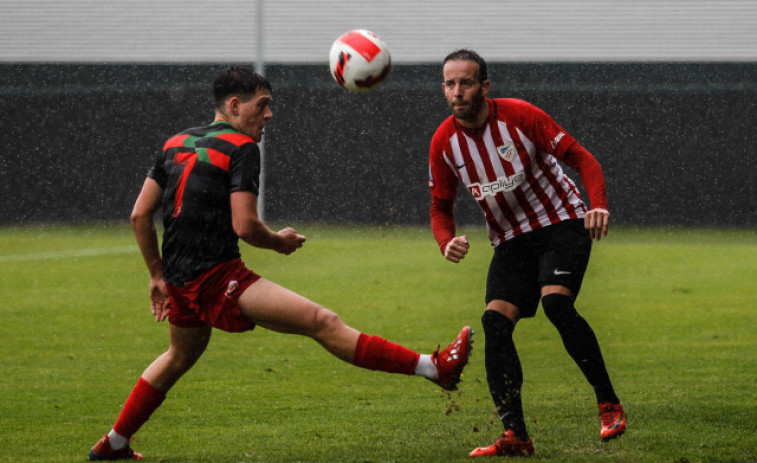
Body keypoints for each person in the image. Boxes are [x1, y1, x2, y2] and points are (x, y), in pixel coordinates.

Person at [88, 66, 472, 461]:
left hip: (179, 279)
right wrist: (278, 242)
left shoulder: (174, 143)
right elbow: (245, 225)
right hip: (216, 277)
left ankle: (115, 441)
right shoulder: (241, 148)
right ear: (236, 106)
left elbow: (139, 215)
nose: (269, 115)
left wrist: (156, 275)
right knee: (322, 322)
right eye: (263, 105)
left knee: (179, 356)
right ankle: (434, 368)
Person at [427, 50, 626, 457]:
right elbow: (440, 207)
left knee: (556, 304)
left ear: (484, 86)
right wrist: (445, 240)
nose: (457, 91)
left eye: (466, 82)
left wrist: (598, 203)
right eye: (450, 83)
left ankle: (609, 403)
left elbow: (581, 158)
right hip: (511, 239)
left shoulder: (519, 116)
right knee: (494, 323)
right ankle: (515, 435)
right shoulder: (444, 141)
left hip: (561, 222)